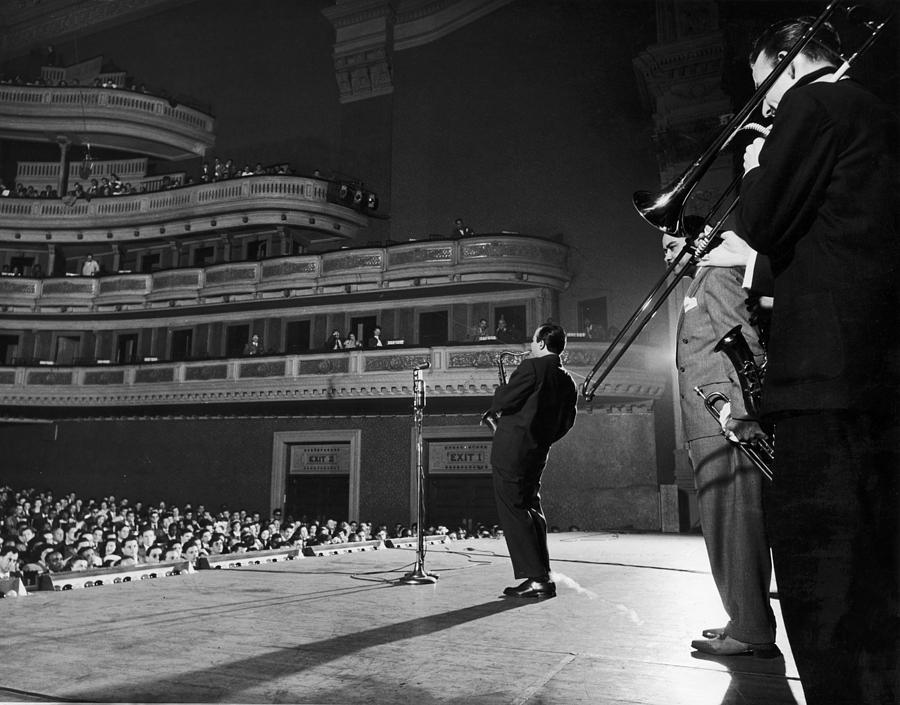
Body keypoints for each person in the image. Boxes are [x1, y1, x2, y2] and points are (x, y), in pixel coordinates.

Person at [735, 17, 899, 704]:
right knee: (878, 586)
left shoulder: (814, 101)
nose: (765, 105)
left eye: (764, 86)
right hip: (877, 373)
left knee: (820, 583)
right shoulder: (881, 113)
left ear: (790, 60)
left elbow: (763, 222)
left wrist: (753, 168)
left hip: (822, 381)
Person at [662, 228, 776, 657]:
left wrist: (744, 414)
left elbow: (744, 343)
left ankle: (751, 631)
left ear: (697, 243)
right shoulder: (699, 280)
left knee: (735, 526)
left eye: (672, 246)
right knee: (723, 527)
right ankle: (744, 618)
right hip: (708, 417)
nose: (668, 256)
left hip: (725, 418)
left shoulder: (716, 276)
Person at [484, 324, 577, 599]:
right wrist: (542, 438)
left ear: (540, 343)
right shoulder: (567, 379)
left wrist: (500, 400)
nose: (530, 344)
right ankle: (542, 576)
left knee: (513, 510)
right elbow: (567, 422)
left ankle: (536, 578)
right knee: (532, 509)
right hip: (538, 451)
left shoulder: (532, 368)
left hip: (512, 450)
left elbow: (504, 398)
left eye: (533, 339)